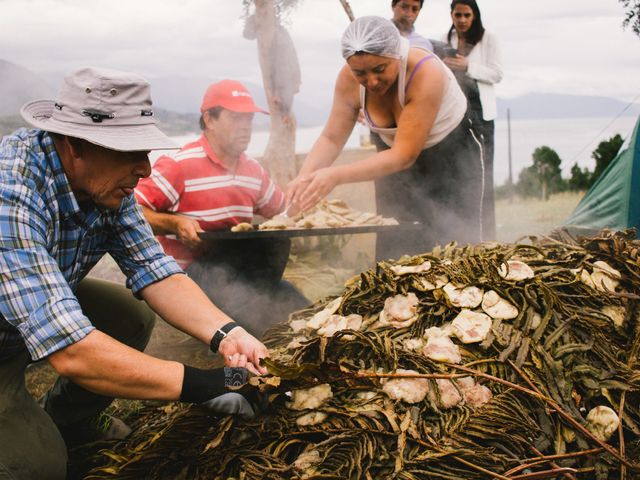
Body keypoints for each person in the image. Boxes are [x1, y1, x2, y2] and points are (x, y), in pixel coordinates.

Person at [0, 67, 269, 480]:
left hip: (24, 316)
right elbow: (71, 349)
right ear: (75, 144)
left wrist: (228, 333)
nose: (144, 168)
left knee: (130, 314)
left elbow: (155, 270)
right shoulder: (10, 193)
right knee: (38, 467)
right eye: (129, 151)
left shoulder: (105, 183)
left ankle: (70, 419)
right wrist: (200, 385)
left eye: (145, 150)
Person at [286, 16, 484, 262]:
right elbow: (331, 138)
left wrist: (334, 176)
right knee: (396, 243)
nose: (371, 81)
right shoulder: (348, 80)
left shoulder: (424, 72)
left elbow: (404, 155)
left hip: (451, 152)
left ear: (397, 55)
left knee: (458, 248)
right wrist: (305, 180)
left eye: (380, 69)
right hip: (391, 157)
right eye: (360, 73)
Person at [135, 79, 308, 338]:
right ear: (209, 119)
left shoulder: (253, 172)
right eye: (236, 118)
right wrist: (175, 223)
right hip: (193, 279)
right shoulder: (179, 164)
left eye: (249, 119)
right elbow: (131, 212)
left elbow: (283, 215)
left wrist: (306, 198)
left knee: (306, 313)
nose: (246, 127)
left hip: (248, 275)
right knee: (270, 330)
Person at [443, 0, 503, 239]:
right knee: (455, 175)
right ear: (452, 15)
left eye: (467, 15)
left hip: (481, 114)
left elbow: (497, 73)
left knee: (483, 175)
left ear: (475, 15)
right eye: (458, 14)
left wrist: (468, 66)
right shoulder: (444, 39)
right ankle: (459, 232)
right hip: (454, 115)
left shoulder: (489, 39)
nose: (462, 20)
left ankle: (487, 236)